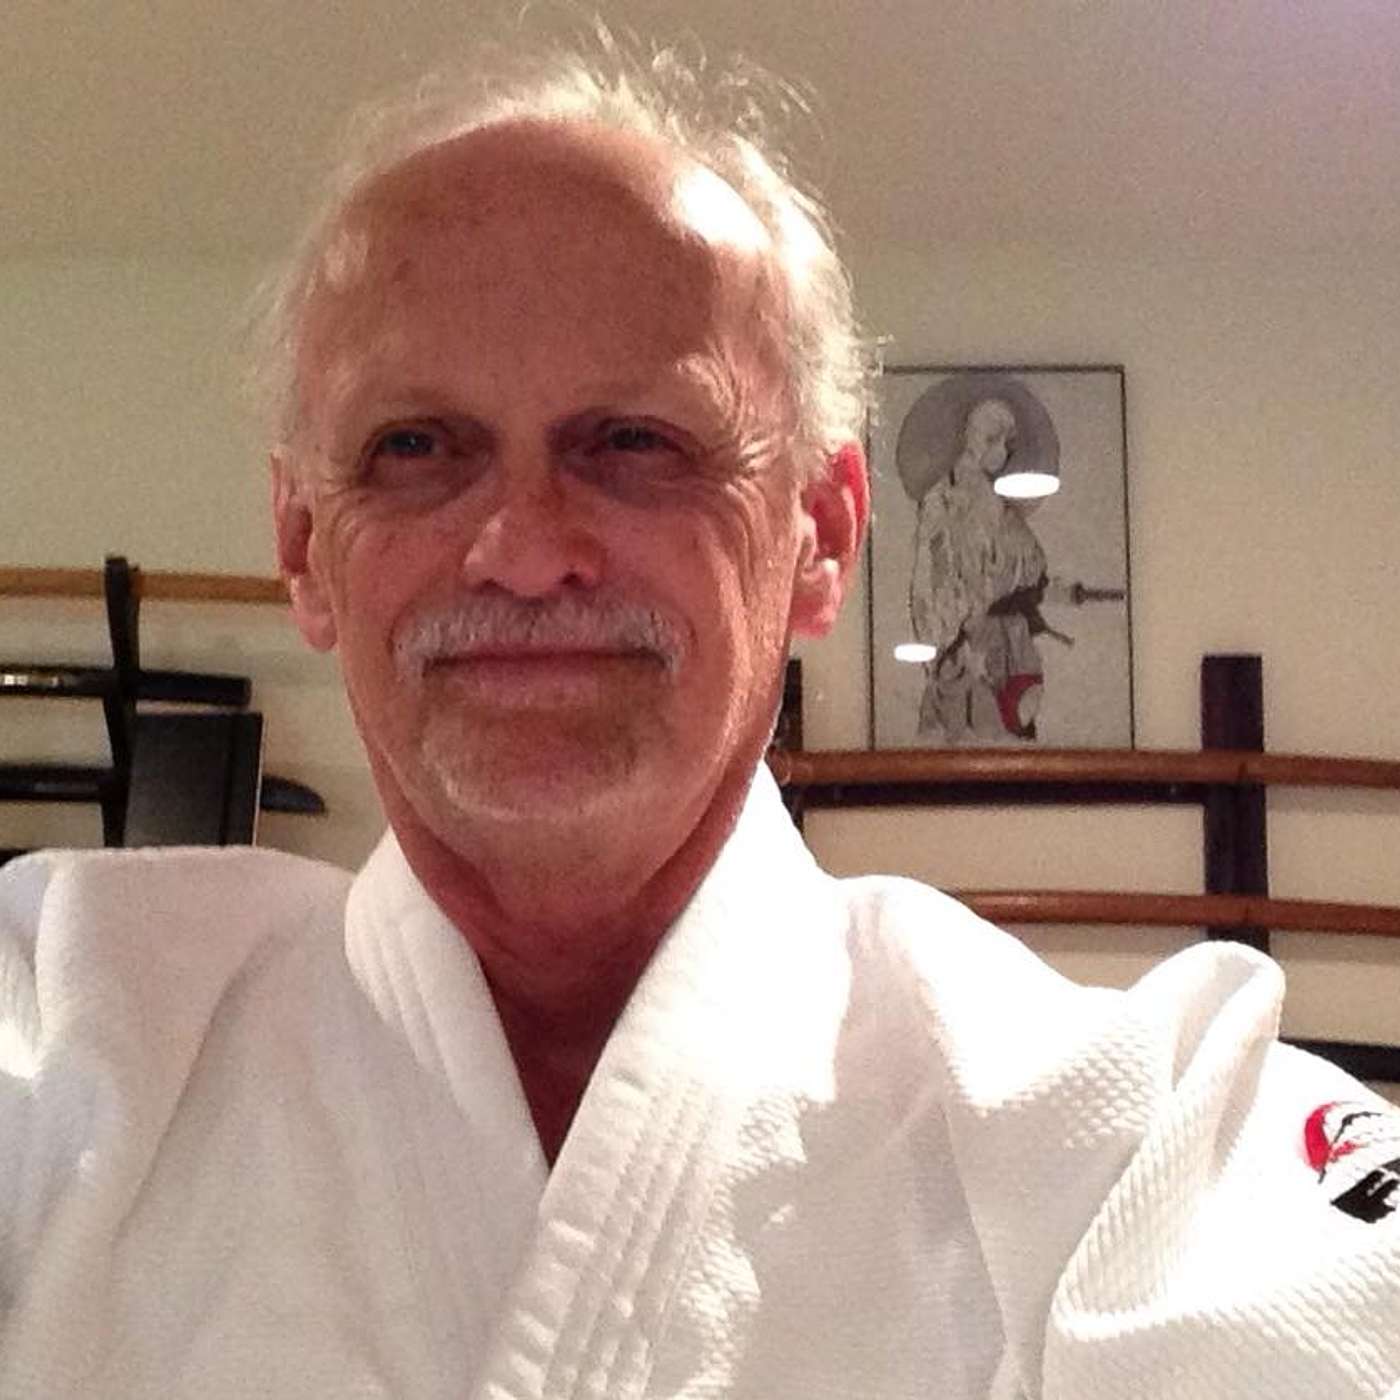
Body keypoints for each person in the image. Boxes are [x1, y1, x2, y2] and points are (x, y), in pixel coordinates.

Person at [2, 34, 1397, 1400]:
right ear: (305, 547)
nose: (524, 549)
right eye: (413, 447)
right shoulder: (69, 1023)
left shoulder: (1136, 1133)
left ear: (820, 535)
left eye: (637, 442)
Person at [909, 397, 1051, 742]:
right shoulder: (941, 501)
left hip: (1002, 643)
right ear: (978, 439)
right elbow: (929, 584)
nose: (1004, 452)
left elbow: (1032, 561)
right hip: (962, 646)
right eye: (996, 440)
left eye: (1008, 443)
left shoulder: (996, 501)